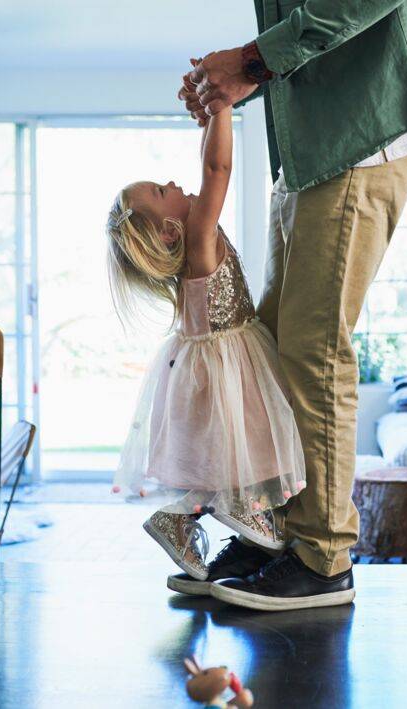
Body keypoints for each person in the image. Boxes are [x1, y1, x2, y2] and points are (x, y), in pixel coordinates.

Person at [176, 0, 407, 611]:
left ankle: (322, 559)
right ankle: (278, 535)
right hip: (314, 148)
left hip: (362, 133)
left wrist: (250, 63)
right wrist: (232, 80)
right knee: (275, 349)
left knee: (314, 350)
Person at [106, 106, 307, 589]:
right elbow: (217, 169)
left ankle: (179, 519)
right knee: (249, 446)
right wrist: (221, 106)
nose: (173, 183)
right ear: (169, 230)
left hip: (209, 365)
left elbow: (206, 162)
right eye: (162, 191)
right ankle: (243, 509)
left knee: (224, 456)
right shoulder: (200, 235)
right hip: (228, 367)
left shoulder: (190, 243)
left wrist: (209, 121)